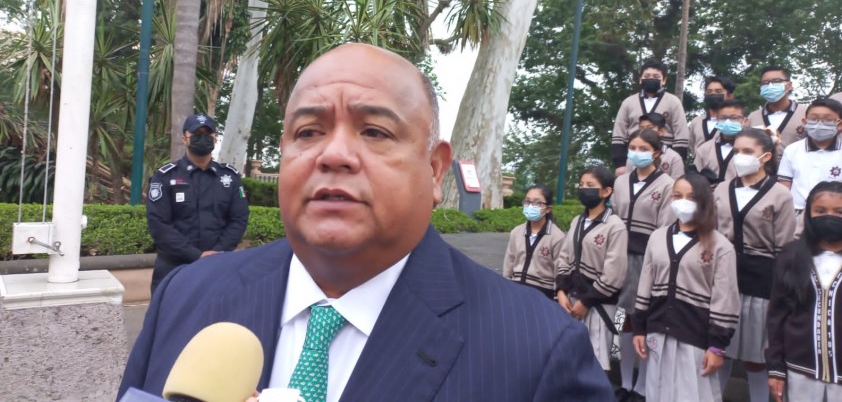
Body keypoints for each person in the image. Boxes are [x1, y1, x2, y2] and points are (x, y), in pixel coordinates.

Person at [118, 44, 614, 401]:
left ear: (435, 169)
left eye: (374, 131)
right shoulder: (187, 297)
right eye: (308, 131)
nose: (334, 154)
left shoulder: (537, 349)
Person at [632, 173, 740, 402]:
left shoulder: (721, 246)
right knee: (657, 392)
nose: (683, 202)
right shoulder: (657, 238)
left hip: (695, 337)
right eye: (677, 196)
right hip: (658, 330)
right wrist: (639, 328)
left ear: (704, 201)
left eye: (691, 197)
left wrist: (717, 346)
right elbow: (645, 284)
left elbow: (725, 299)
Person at [714, 128, 796, 402]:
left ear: (766, 156)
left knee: (756, 355)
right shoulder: (722, 189)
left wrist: (781, 290)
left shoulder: (780, 195)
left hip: (761, 280)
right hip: (722, 276)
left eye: (748, 152)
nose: (740, 157)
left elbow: (784, 247)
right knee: (718, 348)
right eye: (736, 151)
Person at [145, 113, 249, 294]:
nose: (203, 138)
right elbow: (158, 224)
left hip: (218, 269)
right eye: (196, 134)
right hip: (175, 269)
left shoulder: (229, 177)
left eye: (208, 134)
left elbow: (239, 218)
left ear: (215, 138)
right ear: (184, 139)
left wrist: (217, 253)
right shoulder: (165, 177)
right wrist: (196, 255)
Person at [766, 181, 842, 401]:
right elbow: (777, 316)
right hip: (800, 371)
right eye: (820, 211)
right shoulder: (792, 257)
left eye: (840, 212)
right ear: (809, 215)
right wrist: (776, 368)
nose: (830, 217)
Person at [611, 128, 676, 401]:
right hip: (619, 256)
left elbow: (665, 226)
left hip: (647, 259)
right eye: (632, 148)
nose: (636, 153)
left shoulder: (667, 185)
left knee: (644, 319)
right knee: (624, 319)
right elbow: (614, 216)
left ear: (656, 152)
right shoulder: (621, 182)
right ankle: (626, 382)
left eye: (643, 148)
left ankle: (643, 386)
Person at [556, 166, 628, 373]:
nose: (583, 189)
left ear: (606, 191)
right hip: (570, 302)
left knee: (594, 361)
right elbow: (564, 257)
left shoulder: (615, 226)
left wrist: (586, 301)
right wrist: (561, 291)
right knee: (569, 359)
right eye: (581, 185)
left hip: (598, 305)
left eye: (590, 185)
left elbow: (614, 273)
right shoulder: (577, 221)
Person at [612, 59, 688, 176]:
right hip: (634, 156)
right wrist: (620, 163)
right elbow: (619, 133)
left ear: (664, 80)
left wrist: (678, 161)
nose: (651, 78)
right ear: (640, 79)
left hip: (664, 157)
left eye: (656, 76)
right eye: (647, 76)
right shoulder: (628, 102)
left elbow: (681, 133)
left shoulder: (673, 101)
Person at [777, 98, 842, 215]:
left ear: (841, 124)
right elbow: (784, 185)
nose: (819, 124)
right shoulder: (792, 150)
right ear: (805, 122)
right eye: (813, 119)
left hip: (831, 214)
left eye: (828, 120)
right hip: (796, 212)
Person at [503, 184, 564, 299]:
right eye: (527, 201)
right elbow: (509, 264)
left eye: (537, 203)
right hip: (516, 291)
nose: (531, 206)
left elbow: (560, 271)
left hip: (542, 296)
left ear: (548, 209)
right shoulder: (516, 232)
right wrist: (506, 287)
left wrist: (557, 298)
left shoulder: (557, 237)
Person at [747, 66, 808, 158]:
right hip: (762, 166)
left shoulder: (805, 113)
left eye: (776, 81)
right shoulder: (753, 117)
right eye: (765, 82)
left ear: (789, 85)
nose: (770, 86)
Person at [694, 100, 749, 186]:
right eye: (723, 118)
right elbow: (694, 179)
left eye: (734, 118)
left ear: (745, 121)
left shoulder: (752, 149)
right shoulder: (704, 149)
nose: (727, 122)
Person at [626, 113, 685, 180]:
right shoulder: (633, 156)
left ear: (661, 131)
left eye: (650, 128)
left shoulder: (674, 158)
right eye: (641, 128)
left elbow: (678, 184)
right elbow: (627, 181)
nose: (644, 132)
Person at [689, 76, 736, 155]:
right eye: (709, 92)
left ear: (730, 96)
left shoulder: (735, 122)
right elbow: (692, 145)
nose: (713, 94)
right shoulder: (696, 122)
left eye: (718, 91)